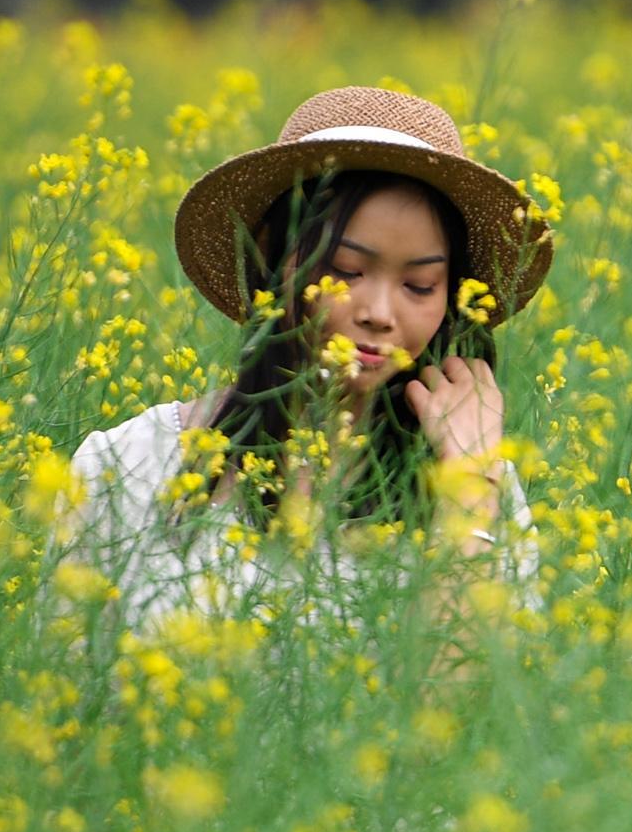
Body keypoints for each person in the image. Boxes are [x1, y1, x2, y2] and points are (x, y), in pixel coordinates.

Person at [64, 86, 549, 635]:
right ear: (273, 259)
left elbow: (469, 712)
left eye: (419, 285)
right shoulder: (129, 464)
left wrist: (466, 494)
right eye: (344, 270)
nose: (379, 313)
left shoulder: (478, 481)